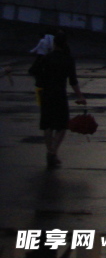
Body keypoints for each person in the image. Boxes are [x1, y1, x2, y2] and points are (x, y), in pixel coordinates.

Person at [29, 31, 86, 168]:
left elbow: (33, 71)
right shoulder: (68, 59)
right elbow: (73, 81)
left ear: (54, 44)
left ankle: (50, 151)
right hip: (60, 94)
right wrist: (80, 96)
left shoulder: (47, 58)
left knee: (47, 125)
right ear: (65, 43)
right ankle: (53, 152)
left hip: (46, 94)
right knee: (61, 125)